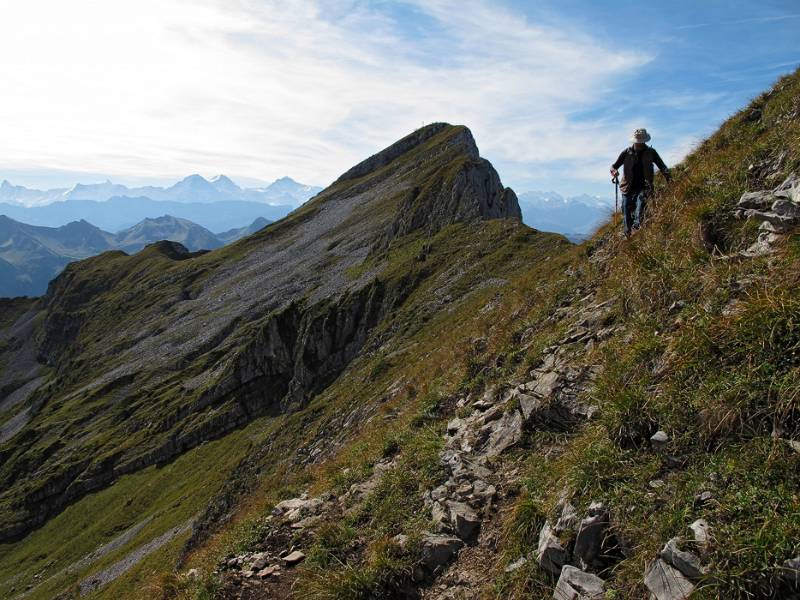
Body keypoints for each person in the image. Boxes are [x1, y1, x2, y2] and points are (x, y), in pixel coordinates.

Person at [610, 128, 671, 237]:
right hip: (627, 186)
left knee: (641, 204)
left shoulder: (651, 152)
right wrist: (614, 172)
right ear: (634, 141)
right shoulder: (626, 153)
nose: (639, 144)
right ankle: (627, 232)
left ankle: (636, 228)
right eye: (638, 142)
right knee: (625, 207)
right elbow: (614, 166)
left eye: (641, 142)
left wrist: (668, 177)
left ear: (644, 142)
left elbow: (662, 166)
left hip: (644, 185)